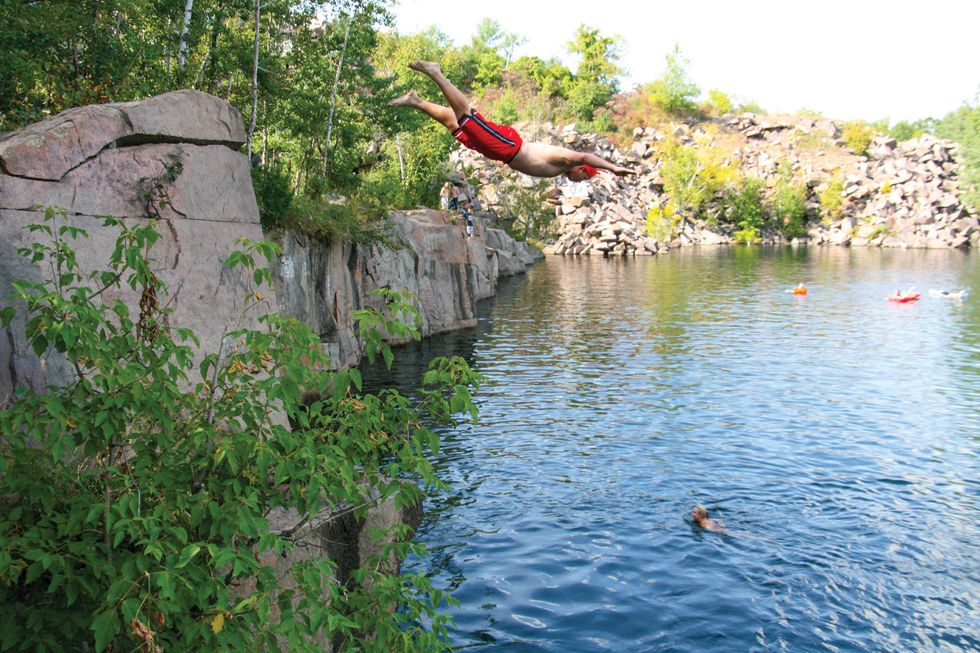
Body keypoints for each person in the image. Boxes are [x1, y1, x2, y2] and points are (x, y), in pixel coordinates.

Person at [390, 61, 637, 181]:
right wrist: (613, 167)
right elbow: (585, 156)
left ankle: (416, 101)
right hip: (508, 146)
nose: (580, 181)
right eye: (584, 178)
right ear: (582, 170)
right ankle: (436, 72)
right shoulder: (566, 159)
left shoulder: (561, 168)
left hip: (503, 152)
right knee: (466, 115)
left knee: (457, 126)